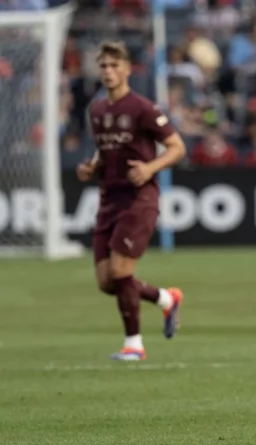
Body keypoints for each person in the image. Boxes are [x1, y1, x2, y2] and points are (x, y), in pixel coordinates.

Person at [76, 41, 186, 361]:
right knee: (106, 281)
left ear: (126, 69)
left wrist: (150, 167)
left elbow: (177, 147)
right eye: (104, 66)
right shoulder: (96, 109)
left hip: (139, 198)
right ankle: (166, 298)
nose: (109, 72)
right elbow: (104, 150)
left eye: (114, 66)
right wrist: (91, 166)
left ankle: (134, 345)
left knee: (121, 271)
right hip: (108, 199)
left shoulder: (143, 108)